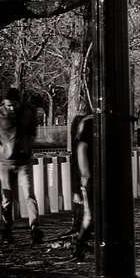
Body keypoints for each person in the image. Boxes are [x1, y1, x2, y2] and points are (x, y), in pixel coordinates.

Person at [0, 88, 41, 245]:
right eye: (8, 105)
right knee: (7, 197)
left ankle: (35, 228)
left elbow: (33, 133)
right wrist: (2, 149)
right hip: (4, 162)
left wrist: (28, 144)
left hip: (23, 160)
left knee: (29, 194)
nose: (11, 108)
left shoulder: (29, 111)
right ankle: (7, 229)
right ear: (3, 104)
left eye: (14, 104)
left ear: (19, 101)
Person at [64, 102, 94, 260]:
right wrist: (85, 175)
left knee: (92, 217)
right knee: (91, 217)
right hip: (93, 177)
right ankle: (79, 247)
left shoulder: (89, 122)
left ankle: (80, 247)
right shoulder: (88, 122)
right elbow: (81, 149)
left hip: (96, 175)